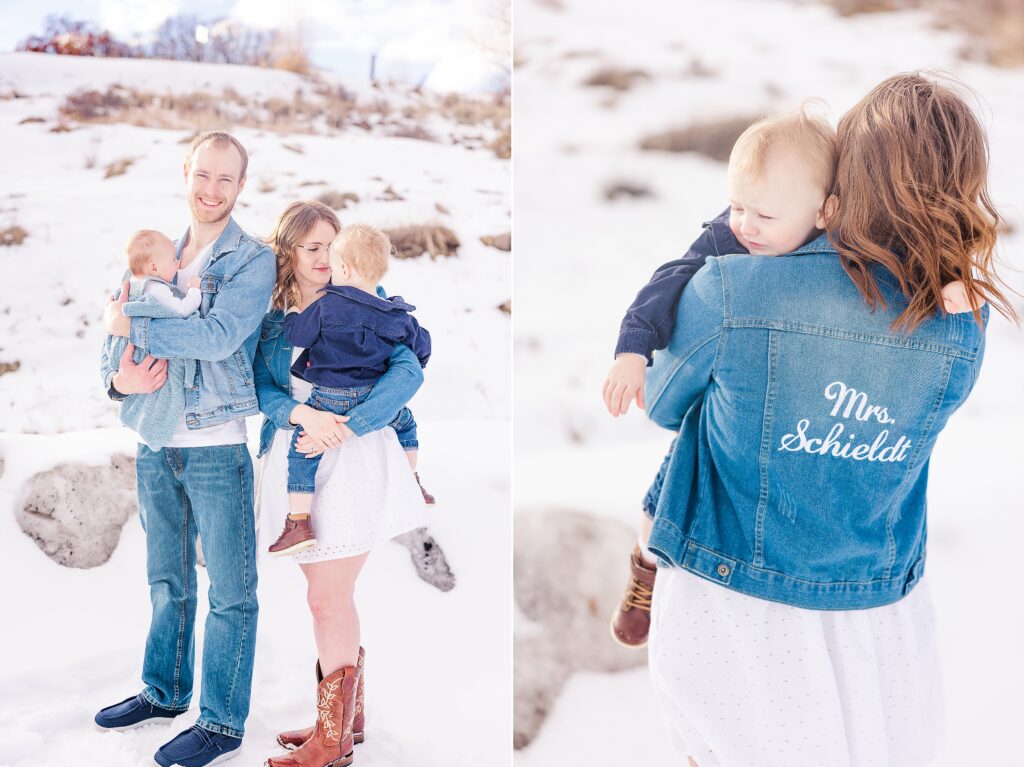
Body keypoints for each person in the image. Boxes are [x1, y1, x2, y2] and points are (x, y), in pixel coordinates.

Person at [643, 73, 1015, 767]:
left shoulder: (733, 286)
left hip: (736, 609)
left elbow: (663, 401)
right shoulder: (964, 319)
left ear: (850, 176)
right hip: (882, 626)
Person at [603, 108, 838, 647]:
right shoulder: (730, 242)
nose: (746, 225)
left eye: (764, 216)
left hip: (804, 395)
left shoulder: (846, 245)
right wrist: (633, 351)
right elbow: (669, 281)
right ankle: (646, 568)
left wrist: (950, 283)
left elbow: (904, 253)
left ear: (827, 211)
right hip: (728, 391)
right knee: (684, 456)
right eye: (736, 206)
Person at [95, 131, 276, 767]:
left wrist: (133, 325)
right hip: (155, 441)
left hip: (216, 444)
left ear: (241, 186)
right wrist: (119, 378)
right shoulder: (151, 253)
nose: (212, 189)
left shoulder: (252, 260)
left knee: (231, 590)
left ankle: (222, 723)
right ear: (186, 172)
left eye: (226, 179)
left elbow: (221, 336)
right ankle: (165, 690)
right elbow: (108, 354)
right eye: (204, 174)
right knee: (166, 580)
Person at [254, 200, 428, 767]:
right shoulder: (279, 323)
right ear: (291, 255)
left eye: (333, 245)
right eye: (313, 248)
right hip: (300, 454)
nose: (326, 258)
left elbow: (408, 374)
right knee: (325, 597)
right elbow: (265, 390)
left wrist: (349, 426)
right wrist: (303, 417)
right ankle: (343, 719)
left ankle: (333, 740)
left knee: (326, 598)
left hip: (351, 461)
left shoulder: (371, 311)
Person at [268, 223, 431, 556]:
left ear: (342, 268)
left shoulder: (328, 305)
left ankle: (298, 521)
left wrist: (295, 313)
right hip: (371, 394)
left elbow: (299, 336)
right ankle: (411, 479)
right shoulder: (397, 315)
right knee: (406, 423)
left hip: (330, 397)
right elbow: (421, 347)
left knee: (303, 450)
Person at [124, 229, 203, 316]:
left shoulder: (133, 284)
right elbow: (182, 310)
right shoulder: (157, 289)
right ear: (154, 268)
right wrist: (194, 290)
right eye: (173, 259)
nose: (178, 261)